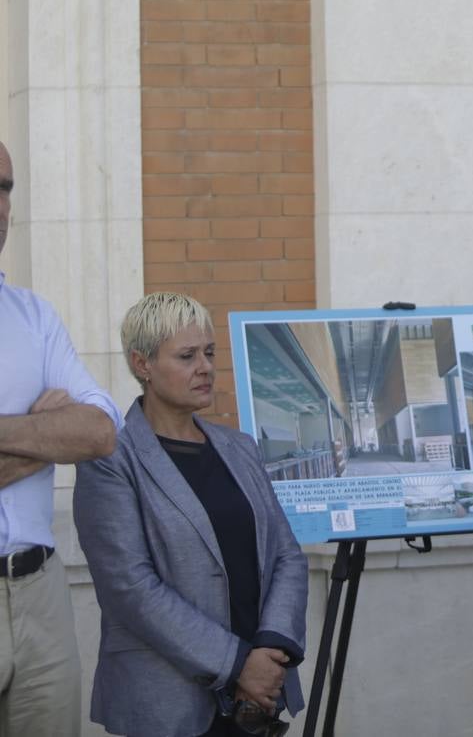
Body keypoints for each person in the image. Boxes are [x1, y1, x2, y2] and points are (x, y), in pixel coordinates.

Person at [74, 293, 308, 737]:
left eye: (209, 352)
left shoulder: (240, 448)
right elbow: (130, 587)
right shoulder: (110, 458)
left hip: (256, 700)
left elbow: (287, 556)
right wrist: (239, 663)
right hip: (166, 704)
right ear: (142, 364)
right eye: (186, 356)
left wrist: (272, 649)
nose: (205, 367)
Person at [0, 140, 120, 737]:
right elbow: (71, 435)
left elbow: (100, 430)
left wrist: (16, 443)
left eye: (4, 188)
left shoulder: (34, 317)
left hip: (40, 592)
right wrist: (45, 433)